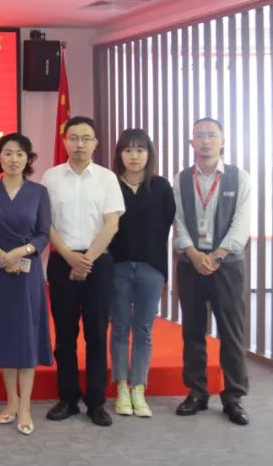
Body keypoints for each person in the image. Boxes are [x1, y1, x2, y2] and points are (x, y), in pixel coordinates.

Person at [42, 116, 124, 427]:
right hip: (62, 262)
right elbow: (46, 223)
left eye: (85, 138)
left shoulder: (107, 178)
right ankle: (67, 398)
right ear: (65, 141)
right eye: (74, 138)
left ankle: (96, 401)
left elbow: (112, 224)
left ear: (95, 143)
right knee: (64, 335)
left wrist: (86, 260)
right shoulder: (51, 177)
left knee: (96, 334)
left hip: (98, 262)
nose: (79, 144)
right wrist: (69, 256)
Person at [173, 118, 253, 426]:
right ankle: (197, 391)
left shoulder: (238, 177)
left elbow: (242, 223)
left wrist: (217, 256)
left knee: (231, 330)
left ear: (222, 141)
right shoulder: (181, 179)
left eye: (211, 135)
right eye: (199, 135)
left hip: (227, 265)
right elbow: (178, 220)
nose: (205, 140)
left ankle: (233, 396)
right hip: (191, 264)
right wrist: (193, 254)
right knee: (193, 329)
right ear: (191, 142)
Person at [0, 133, 52, 436]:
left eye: (20, 154)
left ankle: (26, 406)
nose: (14, 159)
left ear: (28, 159)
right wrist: (2, 256)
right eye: (7, 153)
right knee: (5, 335)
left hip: (27, 273)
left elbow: (43, 234)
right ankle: (11, 401)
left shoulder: (39, 192)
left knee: (26, 336)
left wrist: (20, 252)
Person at [108, 128, 175, 418]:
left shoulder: (161, 187)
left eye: (140, 150)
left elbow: (168, 223)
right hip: (118, 267)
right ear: (119, 154)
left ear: (149, 154)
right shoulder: (109, 185)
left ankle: (139, 387)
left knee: (144, 329)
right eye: (128, 150)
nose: (134, 156)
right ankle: (122, 386)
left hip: (151, 268)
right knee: (120, 327)